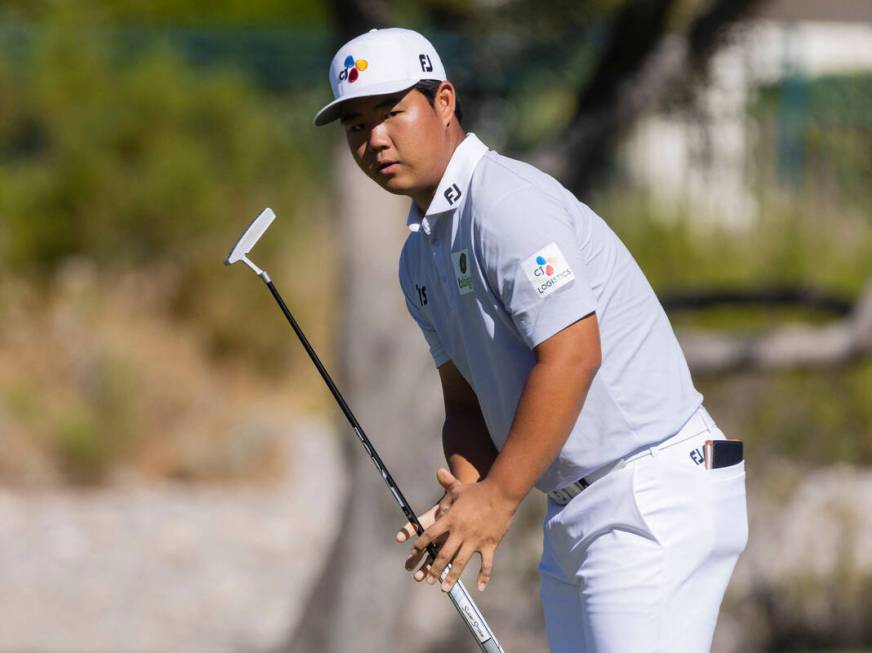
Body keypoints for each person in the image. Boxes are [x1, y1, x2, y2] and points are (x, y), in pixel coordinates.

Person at [314, 27, 748, 652]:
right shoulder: (419, 259)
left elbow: (574, 353)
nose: (375, 138)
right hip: (575, 510)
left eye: (390, 112)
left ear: (443, 103)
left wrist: (500, 497)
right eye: (356, 126)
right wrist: (467, 496)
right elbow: (464, 404)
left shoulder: (505, 204)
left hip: (651, 493)